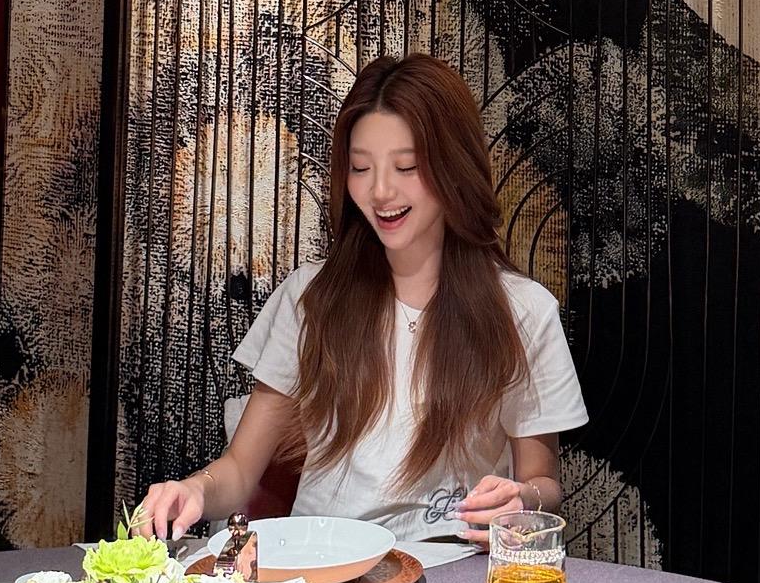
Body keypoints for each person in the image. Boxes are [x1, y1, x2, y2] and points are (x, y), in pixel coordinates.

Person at [133, 55, 586, 548]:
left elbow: (543, 482)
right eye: (361, 168)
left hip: (448, 563)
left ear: (454, 167)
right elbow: (242, 470)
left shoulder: (523, 311)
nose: (381, 191)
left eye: (406, 167)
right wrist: (194, 490)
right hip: (318, 561)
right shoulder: (311, 297)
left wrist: (520, 500)